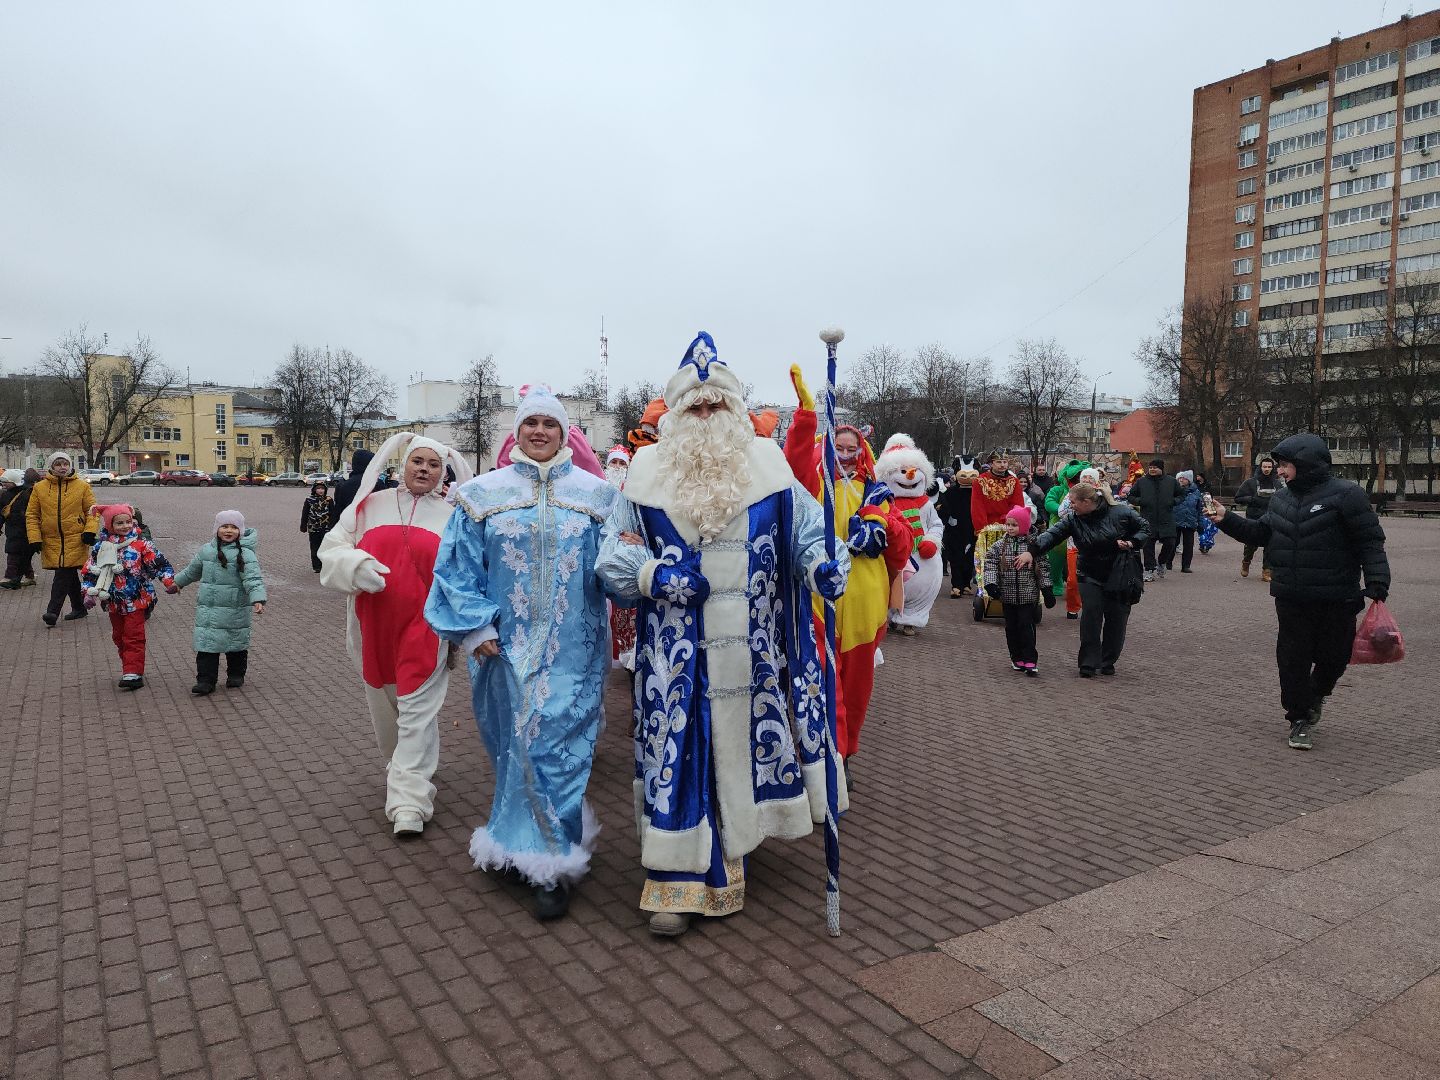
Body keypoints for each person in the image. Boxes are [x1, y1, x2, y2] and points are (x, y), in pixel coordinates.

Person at [597, 332, 847, 937]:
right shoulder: (644, 475)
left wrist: (821, 566)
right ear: (675, 415)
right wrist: (656, 576)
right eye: (695, 408)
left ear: (735, 411)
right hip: (674, 657)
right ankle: (676, 880)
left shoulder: (770, 467)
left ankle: (729, 852)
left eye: (717, 406)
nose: (707, 417)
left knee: (736, 751)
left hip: (752, 651)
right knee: (680, 755)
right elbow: (610, 558)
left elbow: (806, 536)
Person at [425, 388, 613, 921]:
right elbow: (455, 569)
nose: (539, 432)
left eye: (549, 425)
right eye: (530, 423)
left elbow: (618, 568)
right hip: (502, 651)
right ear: (517, 431)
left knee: (558, 752)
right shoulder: (482, 495)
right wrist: (475, 628)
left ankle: (552, 864)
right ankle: (515, 843)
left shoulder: (597, 497)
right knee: (515, 750)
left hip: (576, 655)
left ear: (565, 433)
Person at [321, 434, 473, 836]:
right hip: (373, 626)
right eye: (417, 461)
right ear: (403, 466)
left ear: (444, 472)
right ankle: (403, 763)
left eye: (433, 464)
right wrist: (353, 566)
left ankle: (408, 802)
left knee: (417, 709)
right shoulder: (369, 506)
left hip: (426, 628)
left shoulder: (453, 517)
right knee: (388, 705)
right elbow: (331, 548)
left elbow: (468, 572)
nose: (424, 469)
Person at [1204, 434, 1390, 751]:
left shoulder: (1348, 495)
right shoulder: (1281, 499)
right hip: (1291, 596)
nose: (1279, 471)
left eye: (1285, 465)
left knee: (1335, 658)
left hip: (1338, 597)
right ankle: (1299, 718)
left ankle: (1317, 693)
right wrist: (1227, 520)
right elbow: (1261, 532)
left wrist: (1377, 582)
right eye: (1279, 466)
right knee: (1292, 661)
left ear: (1305, 464)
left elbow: (1369, 542)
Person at [783, 364, 908, 761]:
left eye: (854, 446)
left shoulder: (878, 493)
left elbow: (901, 550)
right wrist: (806, 415)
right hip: (821, 602)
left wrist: (882, 526)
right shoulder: (815, 486)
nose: (847, 453)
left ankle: (845, 754)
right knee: (820, 683)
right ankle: (825, 756)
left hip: (866, 608)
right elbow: (796, 459)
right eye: (839, 444)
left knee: (855, 689)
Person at [1018, 481, 1150, 677]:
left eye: (1073, 502)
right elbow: (1052, 535)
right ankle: (1088, 662)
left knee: (1117, 618)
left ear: (1087, 501)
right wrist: (1032, 551)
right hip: (1089, 572)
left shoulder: (1122, 513)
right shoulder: (1073, 519)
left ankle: (1108, 660)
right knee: (1091, 615)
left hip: (1120, 572)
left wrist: (1132, 542)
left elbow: (1145, 528)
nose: (1070, 506)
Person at [81, 504, 177, 690]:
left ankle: (133, 673)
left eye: (128, 522)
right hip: (112, 600)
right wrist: (87, 591)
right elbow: (90, 570)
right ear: (110, 525)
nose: (125, 526)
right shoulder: (101, 547)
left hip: (136, 598)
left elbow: (160, 564)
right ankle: (129, 666)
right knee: (119, 636)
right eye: (119, 523)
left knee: (133, 636)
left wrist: (170, 582)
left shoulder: (142, 544)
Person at [173, 510, 268, 693]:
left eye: (234, 527)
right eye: (224, 526)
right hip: (208, 610)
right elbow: (192, 571)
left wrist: (258, 599)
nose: (228, 531)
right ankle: (206, 681)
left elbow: (253, 579)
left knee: (236, 645)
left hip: (235, 609)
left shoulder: (245, 554)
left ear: (240, 530)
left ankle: (236, 675)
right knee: (207, 646)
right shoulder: (206, 551)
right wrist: (178, 583)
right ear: (217, 528)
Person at [874, 434, 943, 636]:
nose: (909, 476)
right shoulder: (882, 502)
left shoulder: (926, 504)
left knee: (920, 586)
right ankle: (883, 617)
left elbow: (936, 525)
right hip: (893, 552)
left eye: (913, 471)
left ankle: (910, 620)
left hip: (920, 554)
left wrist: (932, 540)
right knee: (886, 584)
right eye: (902, 471)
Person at [26, 452, 99, 626]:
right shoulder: (39, 488)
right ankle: (79, 608)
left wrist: (90, 531)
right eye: (58, 464)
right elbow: (32, 515)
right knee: (68, 572)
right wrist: (34, 538)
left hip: (76, 537)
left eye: (65, 464)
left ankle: (52, 611)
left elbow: (92, 511)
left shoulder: (82, 486)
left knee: (63, 572)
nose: (62, 467)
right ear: (51, 466)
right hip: (51, 539)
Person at [983, 505, 1054, 676]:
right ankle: (1016, 656)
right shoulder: (999, 546)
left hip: (1028, 594)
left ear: (1023, 526)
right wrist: (991, 584)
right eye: (1008, 524)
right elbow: (990, 563)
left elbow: (1043, 567)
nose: (1010, 528)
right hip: (1007, 594)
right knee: (1011, 627)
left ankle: (1030, 659)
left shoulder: (1034, 546)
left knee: (1026, 626)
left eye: (1014, 525)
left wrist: (1047, 588)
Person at [1044, 460, 1090, 620]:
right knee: (1070, 576)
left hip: (1094, 543)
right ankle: (1070, 603)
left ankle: (1090, 605)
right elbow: (1057, 508)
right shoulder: (1064, 492)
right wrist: (1073, 506)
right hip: (1066, 537)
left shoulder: (1101, 494)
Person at [1127, 459, 1181, 582]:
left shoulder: (1171, 482)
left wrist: (1174, 501)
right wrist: (1141, 502)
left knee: (1171, 543)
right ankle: (1149, 569)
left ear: (1161, 469)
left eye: (1155, 467)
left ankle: (1161, 562)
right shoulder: (1141, 482)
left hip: (1166, 518)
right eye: (1150, 467)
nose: (1152, 469)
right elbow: (1131, 496)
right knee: (1148, 546)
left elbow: (1181, 495)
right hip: (1148, 518)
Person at [1233, 456, 1283, 580]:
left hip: (1271, 518)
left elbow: (1284, 499)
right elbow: (1238, 498)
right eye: (1264, 466)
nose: (1267, 469)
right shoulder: (1251, 482)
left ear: (1273, 468)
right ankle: (1246, 563)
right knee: (1251, 544)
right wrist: (1252, 499)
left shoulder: (1277, 484)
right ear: (1260, 468)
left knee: (1270, 545)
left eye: (1269, 467)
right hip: (1254, 519)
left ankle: (1266, 571)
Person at [937, 457, 976, 597]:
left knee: (970, 556)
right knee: (955, 557)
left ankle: (966, 583)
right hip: (955, 529)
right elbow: (943, 507)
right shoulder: (951, 492)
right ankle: (956, 585)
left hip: (973, 528)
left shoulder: (977, 492)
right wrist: (948, 517)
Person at [1, 469, 38, 589]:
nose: (3, 484)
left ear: (15, 482)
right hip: (13, 530)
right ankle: (29, 576)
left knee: (14, 553)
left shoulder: (27, 494)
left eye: (6, 481)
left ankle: (9, 577)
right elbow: (2, 514)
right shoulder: (5, 495)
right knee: (22, 554)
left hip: (25, 529)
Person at [300, 481, 335, 572]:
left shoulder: (329, 500)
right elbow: (305, 513)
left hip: (326, 527)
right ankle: (317, 566)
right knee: (315, 547)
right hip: (313, 527)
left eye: (322, 488)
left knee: (326, 547)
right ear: (314, 490)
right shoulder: (309, 500)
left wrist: (332, 526)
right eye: (318, 488)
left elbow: (333, 514)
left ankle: (326, 564)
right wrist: (303, 526)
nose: (320, 490)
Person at [1173, 470, 1204, 573]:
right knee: (1172, 543)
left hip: (1190, 521)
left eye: (1184, 478)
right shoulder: (1173, 490)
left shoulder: (1196, 492)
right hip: (1175, 521)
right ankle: (1168, 562)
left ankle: (1186, 565)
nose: (1181, 480)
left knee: (1189, 545)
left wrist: (1200, 523)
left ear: (1189, 480)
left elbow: (1199, 509)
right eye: (1179, 478)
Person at [332, 448, 375, 519]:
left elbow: (338, 511)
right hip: (371, 525)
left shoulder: (342, 485)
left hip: (349, 525)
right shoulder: (376, 483)